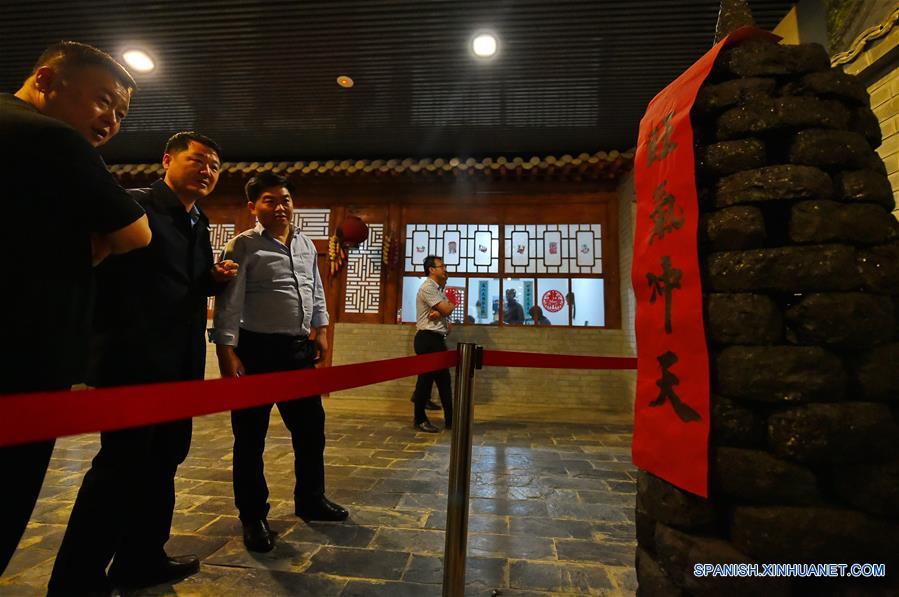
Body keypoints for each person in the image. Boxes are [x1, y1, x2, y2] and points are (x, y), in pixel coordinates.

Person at [48, 132, 237, 594]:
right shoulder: (134, 207)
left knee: (165, 461)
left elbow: (181, 286)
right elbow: (97, 274)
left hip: (180, 364)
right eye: (198, 160)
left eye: (215, 164)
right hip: (133, 363)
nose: (208, 170)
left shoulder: (199, 220)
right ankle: (76, 580)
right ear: (168, 159)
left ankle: (141, 559)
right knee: (119, 468)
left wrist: (211, 280)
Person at [0, 41, 151, 576]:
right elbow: (137, 230)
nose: (111, 120)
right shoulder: (49, 137)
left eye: (121, 113)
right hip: (21, 362)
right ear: (45, 80)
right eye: (102, 100)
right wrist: (100, 239)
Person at [213, 172, 348, 554]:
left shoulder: (305, 243)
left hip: (296, 352)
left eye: (285, 199)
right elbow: (229, 302)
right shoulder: (242, 246)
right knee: (250, 438)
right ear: (253, 207)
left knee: (311, 430)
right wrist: (226, 350)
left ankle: (311, 499)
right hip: (255, 351)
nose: (280, 206)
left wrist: (321, 330)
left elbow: (316, 289)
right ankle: (253, 516)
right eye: (270, 200)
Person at [411, 255, 455, 433]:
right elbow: (447, 309)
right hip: (427, 339)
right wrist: (446, 307)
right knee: (429, 381)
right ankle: (420, 419)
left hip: (435, 339)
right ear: (431, 269)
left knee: (440, 381)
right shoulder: (428, 287)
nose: (445, 269)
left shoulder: (439, 289)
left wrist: (444, 309)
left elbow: (446, 315)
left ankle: (451, 420)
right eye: (441, 266)